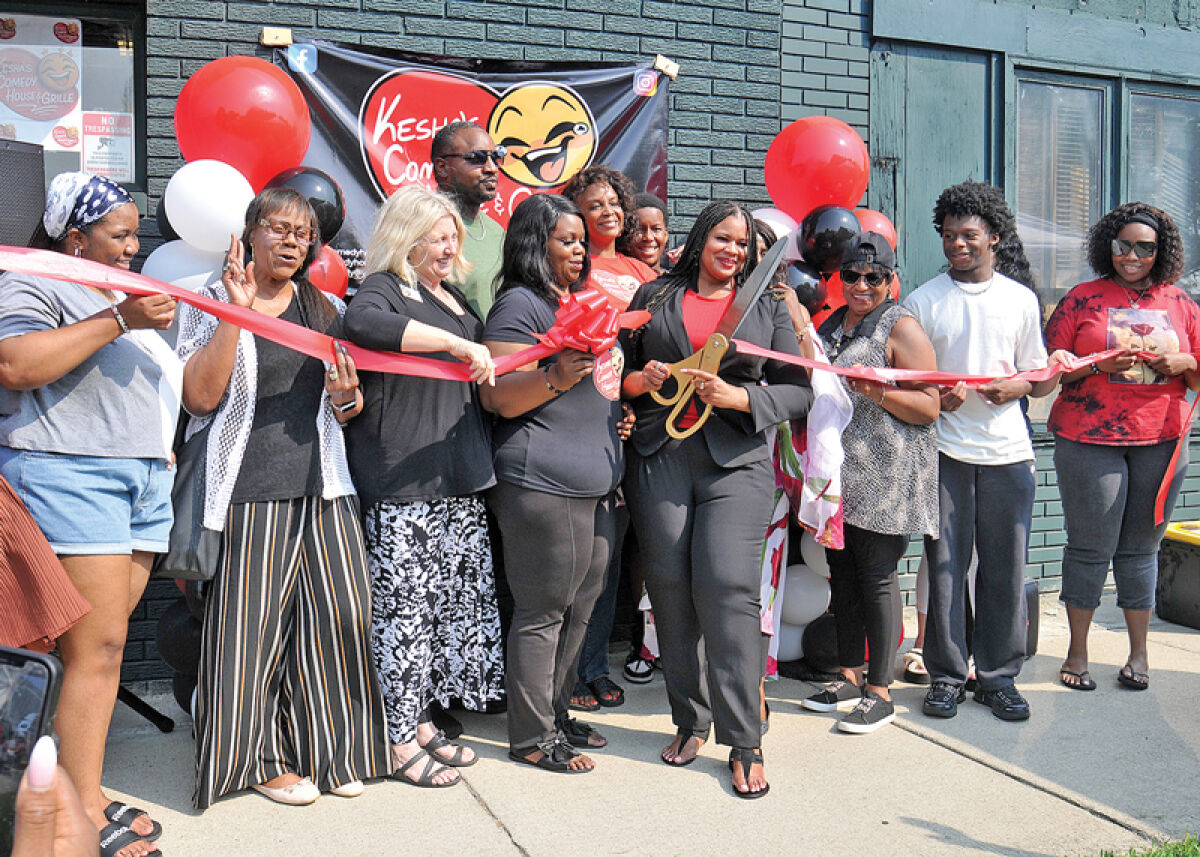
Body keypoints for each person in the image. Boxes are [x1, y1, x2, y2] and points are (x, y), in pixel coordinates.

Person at [178, 187, 389, 809]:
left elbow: (344, 409)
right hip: (248, 488)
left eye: (304, 233)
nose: (293, 241)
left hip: (324, 485)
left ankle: (329, 749)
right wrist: (234, 315)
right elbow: (198, 398)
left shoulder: (323, 307)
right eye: (279, 228)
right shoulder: (209, 299)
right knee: (250, 632)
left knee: (342, 615)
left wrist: (348, 399)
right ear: (248, 233)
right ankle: (259, 760)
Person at [0, 171, 179, 857]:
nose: (135, 246)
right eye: (120, 234)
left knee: (98, 652)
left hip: (134, 481)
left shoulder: (114, 293)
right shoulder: (32, 281)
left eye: (136, 232)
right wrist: (119, 320)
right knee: (92, 650)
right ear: (74, 236)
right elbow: (15, 363)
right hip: (70, 471)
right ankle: (77, 806)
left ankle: (81, 791)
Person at [621, 200, 813, 797]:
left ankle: (744, 737)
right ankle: (689, 719)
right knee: (671, 588)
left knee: (727, 585)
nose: (732, 250)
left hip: (738, 460)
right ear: (701, 239)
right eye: (722, 239)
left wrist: (742, 400)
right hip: (661, 455)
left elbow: (799, 392)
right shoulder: (651, 297)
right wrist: (639, 384)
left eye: (743, 244)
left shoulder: (771, 305)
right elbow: (616, 374)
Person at [343, 185, 504, 788]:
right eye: (437, 236)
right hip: (402, 479)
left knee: (440, 611)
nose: (448, 245)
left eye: (452, 236)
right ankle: (393, 738)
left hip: (458, 475)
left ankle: (421, 723)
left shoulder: (456, 297)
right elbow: (363, 324)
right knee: (402, 613)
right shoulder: (384, 288)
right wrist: (457, 342)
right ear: (406, 237)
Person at [480, 193, 623, 774]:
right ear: (535, 245)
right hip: (543, 481)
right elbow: (497, 395)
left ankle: (556, 713)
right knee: (544, 611)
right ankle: (531, 736)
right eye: (567, 240)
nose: (579, 251)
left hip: (594, 480)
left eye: (581, 242)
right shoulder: (519, 305)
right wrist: (557, 376)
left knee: (581, 610)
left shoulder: (580, 303)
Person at [904, 181, 1053, 722]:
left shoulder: (1019, 299)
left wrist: (1019, 386)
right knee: (944, 565)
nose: (958, 245)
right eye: (949, 236)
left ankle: (997, 677)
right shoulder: (922, 301)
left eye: (970, 235)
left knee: (1004, 568)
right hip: (944, 452)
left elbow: (1039, 377)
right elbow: (912, 383)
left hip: (1008, 453)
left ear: (994, 237)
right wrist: (938, 397)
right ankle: (946, 675)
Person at [1043, 202, 1199, 693]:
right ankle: (1078, 652)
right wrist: (1096, 366)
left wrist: (1184, 359)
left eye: (1145, 248)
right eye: (1123, 245)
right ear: (1107, 246)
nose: (1132, 256)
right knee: (1091, 547)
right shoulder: (1082, 299)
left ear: (1161, 251)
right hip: (1089, 439)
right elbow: (1048, 371)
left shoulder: (1181, 304)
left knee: (1142, 549)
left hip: (1161, 439)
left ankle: (1138, 654)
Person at [800, 233, 940, 733]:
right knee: (843, 576)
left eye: (873, 276)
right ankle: (849, 673)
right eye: (852, 276)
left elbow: (930, 406)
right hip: (842, 471)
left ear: (891, 279)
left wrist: (876, 391)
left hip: (889, 471)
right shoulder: (836, 322)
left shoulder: (900, 325)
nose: (862, 285)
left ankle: (880, 691)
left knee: (877, 578)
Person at [431, 120, 507, 319]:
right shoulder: (422, 227)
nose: (491, 168)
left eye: (496, 157)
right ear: (442, 167)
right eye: (477, 158)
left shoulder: (497, 232)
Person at [562, 165, 657, 308]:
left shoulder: (642, 271)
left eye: (614, 203)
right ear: (576, 217)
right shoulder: (571, 267)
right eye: (595, 206)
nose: (609, 211)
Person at [619, 192, 671, 274]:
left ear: (666, 235)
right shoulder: (614, 281)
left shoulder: (677, 284)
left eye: (656, 229)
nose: (648, 237)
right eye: (639, 229)